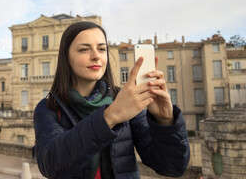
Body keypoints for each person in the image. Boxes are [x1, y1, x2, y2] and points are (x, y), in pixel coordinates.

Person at [33, 21, 190, 179]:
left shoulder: (123, 100)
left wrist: (165, 121)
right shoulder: (49, 108)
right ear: (66, 57)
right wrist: (110, 116)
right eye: (84, 49)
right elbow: (50, 164)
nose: (96, 56)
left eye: (102, 49)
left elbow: (172, 167)